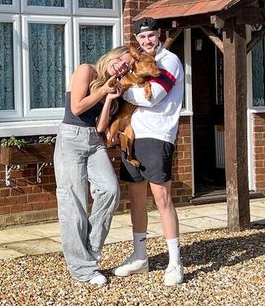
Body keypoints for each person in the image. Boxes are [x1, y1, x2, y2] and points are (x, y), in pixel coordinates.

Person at [112, 17, 185, 286]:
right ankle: (140, 257)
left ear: (159, 35)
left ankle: (175, 262)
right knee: (136, 197)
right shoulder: (139, 60)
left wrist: (123, 92)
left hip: (158, 135)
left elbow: (151, 97)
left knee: (161, 198)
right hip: (132, 135)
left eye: (151, 36)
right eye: (142, 38)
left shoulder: (169, 61)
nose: (147, 41)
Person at [54, 46, 132, 287]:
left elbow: (100, 128)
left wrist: (109, 99)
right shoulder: (86, 70)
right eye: (121, 60)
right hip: (70, 138)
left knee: (110, 191)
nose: (121, 67)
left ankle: (90, 250)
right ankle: (82, 269)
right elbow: (77, 108)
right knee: (73, 203)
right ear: (111, 56)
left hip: (93, 141)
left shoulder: (112, 87)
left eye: (126, 66)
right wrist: (103, 91)